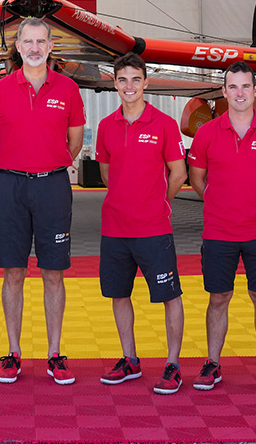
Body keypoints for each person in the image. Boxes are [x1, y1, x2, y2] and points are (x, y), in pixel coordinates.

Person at [0, 17, 85, 384]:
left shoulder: (69, 89)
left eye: (41, 41)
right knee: (13, 271)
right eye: (28, 42)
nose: (35, 48)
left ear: (51, 45)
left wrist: (47, 166)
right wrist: (12, 169)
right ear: (18, 47)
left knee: (54, 273)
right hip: (10, 188)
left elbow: (74, 142)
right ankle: (13, 352)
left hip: (53, 187)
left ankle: (55, 353)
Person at [187, 61, 256, 394]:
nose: (239, 93)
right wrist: (221, 204)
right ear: (223, 91)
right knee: (218, 297)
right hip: (218, 232)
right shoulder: (206, 133)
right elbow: (197, 179)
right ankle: (213, 363)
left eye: (245, 86)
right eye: (232, 87)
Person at [94, 53, 187, 394]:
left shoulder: (164, 123)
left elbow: (179, 173)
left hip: (154, 228)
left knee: (169, 296)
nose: (129, 86)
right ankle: (129, 359)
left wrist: (158, 202)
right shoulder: (105, 126)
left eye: (136, 79)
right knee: (119, 295)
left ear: (146, 82)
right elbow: (107, 175)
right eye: (123, 79)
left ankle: (173, 364)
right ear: (114, 83)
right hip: (115, 229)